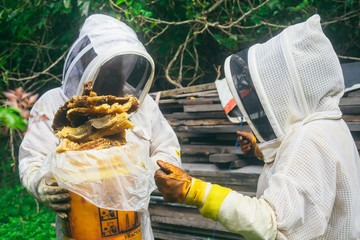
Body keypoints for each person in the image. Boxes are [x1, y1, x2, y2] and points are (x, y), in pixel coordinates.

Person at [155, 14, 360, 239]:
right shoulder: (330, 125)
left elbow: (270, 223)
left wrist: (193, 191)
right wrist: (263, 152)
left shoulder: (309, 138)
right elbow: (314, 184)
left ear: (290, 85)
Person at [18, 14, 181, 240]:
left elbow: (168, 149)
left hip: (133, 229)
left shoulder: (142, 105)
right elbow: (32, 158)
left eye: (120, 61)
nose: (115, 67)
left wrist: (143, 173)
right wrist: (41, 184)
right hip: (81, 227)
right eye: (108, 60)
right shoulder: (53, 103)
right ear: (85, 60)